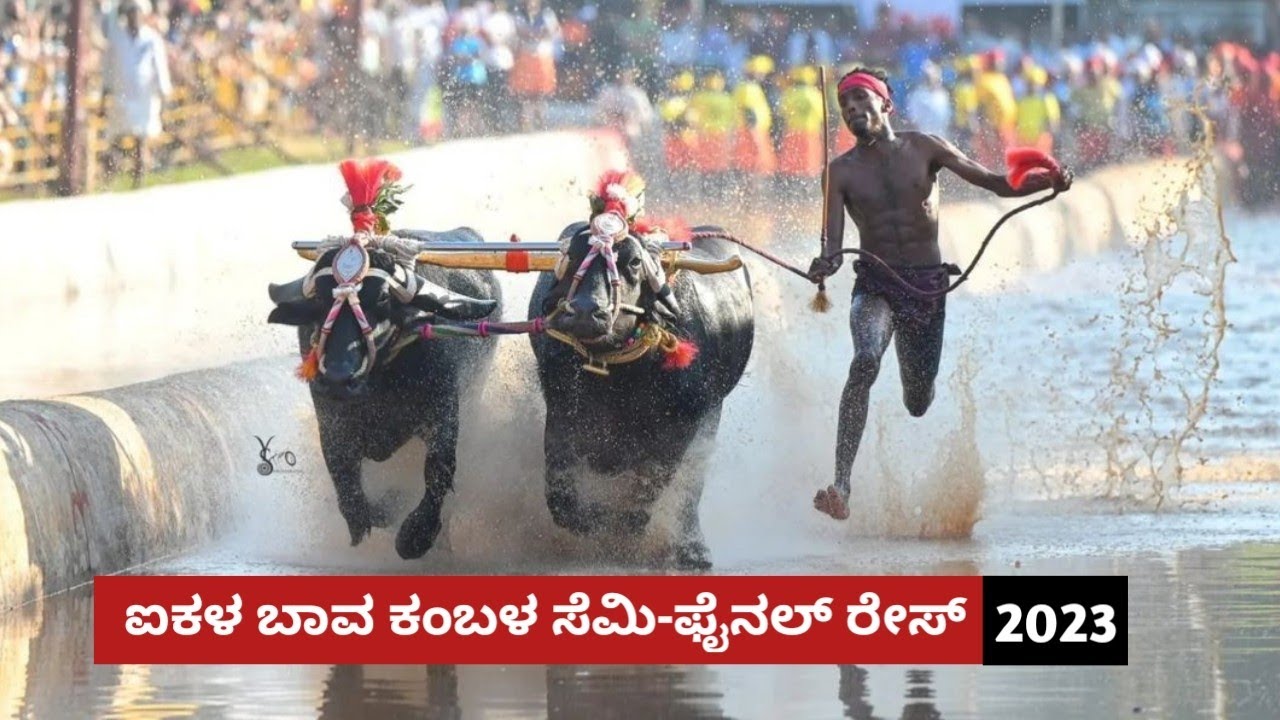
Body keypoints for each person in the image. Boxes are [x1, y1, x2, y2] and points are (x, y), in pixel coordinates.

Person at [806, 67, 1073, 521]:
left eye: (860, 102)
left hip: (927, 286)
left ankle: (919, 393)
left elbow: (993, 181)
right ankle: (842, 486)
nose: (852, 111)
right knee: (864, 360)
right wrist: (826, 262)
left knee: (917, 401)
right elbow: (832, 243)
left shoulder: (925, 147)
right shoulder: (840, 173)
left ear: (885, 104)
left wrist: (1047, 181)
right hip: (875, 284)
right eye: (845, 107)